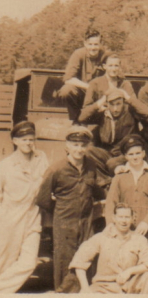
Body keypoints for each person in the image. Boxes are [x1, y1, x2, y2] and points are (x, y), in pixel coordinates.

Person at [36, 125, 106, 292]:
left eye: (83, 145)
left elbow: (96, 190)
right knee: (64, 263)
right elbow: (42, 199)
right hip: (64, 223)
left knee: (86, 260)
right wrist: (61, 210)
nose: (79, 149)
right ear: (67, 146)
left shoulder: (91, 166)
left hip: (86, 222)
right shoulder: (57, 168)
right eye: (75, 145)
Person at [0, 122, 49, 293]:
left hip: (33, 216)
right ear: (15, 141)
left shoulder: (41, 158)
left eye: (31, 139)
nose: (29, 143)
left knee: (28, 262)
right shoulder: (5, 165)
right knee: (4, 261)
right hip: (9, 218)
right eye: (24, 139)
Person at [69, 203, 148, 294]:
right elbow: (79, 261)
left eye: (127, 217)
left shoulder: (139, 239)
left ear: (132, 219)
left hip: (129, 288)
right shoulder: (101, 237)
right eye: (120, 217)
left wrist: (129, 271)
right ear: (114, 218)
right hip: (104, 288)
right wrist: (85, 288)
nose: (124, 221)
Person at [105, 135, 148, 249]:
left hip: (147, 228)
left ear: (143, 153)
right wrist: (111, 224)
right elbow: (110, 203)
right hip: (123, 228)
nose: (135, 157)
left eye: (138, 153)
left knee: (147, 260)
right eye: (131, 154)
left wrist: (147, 222)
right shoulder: (119, 177)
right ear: (125, 156)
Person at [79, 88, 148, 179]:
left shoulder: (130, 111)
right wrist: (100, 102)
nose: (115, 109)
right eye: (111, 104)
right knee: (88, 151)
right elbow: (82, 117)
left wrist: (128, 98)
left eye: (118, 104)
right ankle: (106, 182)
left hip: (127, 153)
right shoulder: (103, 114)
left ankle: (112, 179)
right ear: (107, 103)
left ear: (123, 102)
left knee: (111, 164)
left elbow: (147, 112)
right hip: (109, 153)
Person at [58, 28, 106, 122]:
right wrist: (89, 87)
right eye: (90, 44)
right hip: (82, 93)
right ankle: (75, 120)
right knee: (66, 90)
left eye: (96, 44)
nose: (93, 48)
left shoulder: (106, 56)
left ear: (100, 44)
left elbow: (118, 76)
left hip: (99, 95)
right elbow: (68, 79)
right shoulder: (78, 54)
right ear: (85, 43)